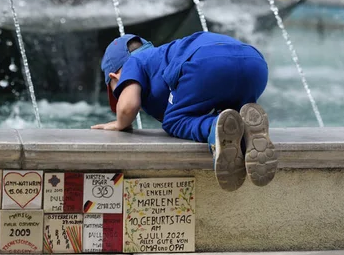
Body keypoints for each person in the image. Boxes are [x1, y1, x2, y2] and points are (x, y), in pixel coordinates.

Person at [91, 31, 277, 192]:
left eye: (117, 89)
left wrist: (120, 123)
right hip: (255, 63)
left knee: (174, 120)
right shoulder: (163, 56)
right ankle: (246, 130)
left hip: (206, 62)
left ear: (115, 76)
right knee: (230, 113)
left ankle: (214, 127)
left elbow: (128, 105)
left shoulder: (136, 61)